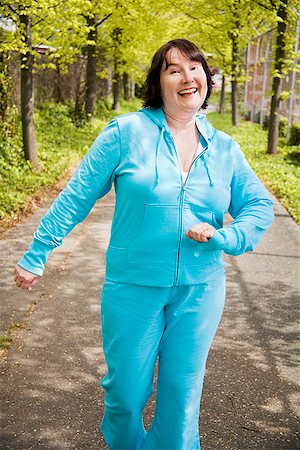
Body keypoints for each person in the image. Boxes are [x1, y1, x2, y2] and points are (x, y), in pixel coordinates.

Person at [14, 38, 274, 449]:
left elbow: (259, 205)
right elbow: (77, 195)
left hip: (201, 289)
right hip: (133, 287)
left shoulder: (224, 148)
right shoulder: (125, 132)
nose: (188, 77)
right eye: (174, 69)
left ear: (207, 78)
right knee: (125, 396)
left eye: (195, 68)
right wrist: (37, 253)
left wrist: (229, 236)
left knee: (182, 400)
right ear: (159, 82)